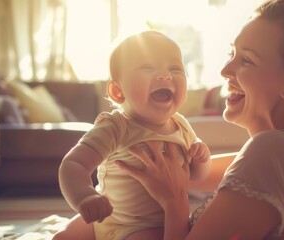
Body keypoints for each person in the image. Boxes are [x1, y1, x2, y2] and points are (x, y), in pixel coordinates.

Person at [115, 0, 284, 239]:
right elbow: (190, 171)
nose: (225, 70)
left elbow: (180, 183)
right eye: (232, 53)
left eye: (246, 60)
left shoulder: (275, 150)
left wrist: (173, 200)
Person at [53, 30, 211, 240]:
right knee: (62, 237)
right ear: (118, 92)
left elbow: (197, 176)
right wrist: (85, 196)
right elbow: (74, 164)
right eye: (148, 67)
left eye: (175, 68)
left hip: (151, 227)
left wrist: (202, 158)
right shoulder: (115, 127)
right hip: (104, 219)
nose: (166, 75)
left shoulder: (181, 126)